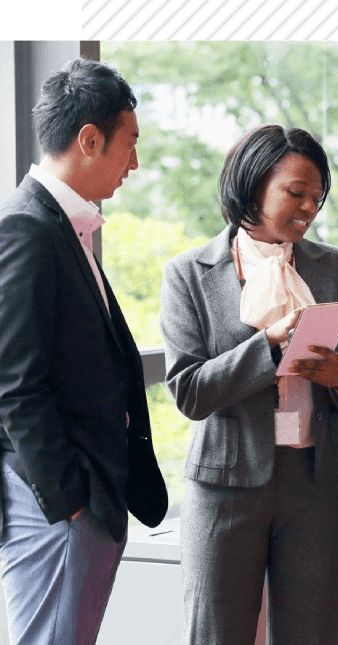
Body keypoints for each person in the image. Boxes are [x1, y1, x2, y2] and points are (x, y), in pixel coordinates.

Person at [160, 124, 338, 645]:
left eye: (317, 197)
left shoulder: (335, 267)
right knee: (216, 635)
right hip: (225, 488)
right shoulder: (188, 273)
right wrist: (269, 347)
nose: (309, 208)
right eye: (295, 193)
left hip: (319, 485)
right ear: (253, 184)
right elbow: (188, 391)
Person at [0, 58, 168, 644]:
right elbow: (16, 386)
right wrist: (70, 500)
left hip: (86, 497)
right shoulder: (27, 229)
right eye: (130, 144)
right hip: (59, 505)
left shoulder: (66, 226)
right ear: (89, 140)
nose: (135, 163)